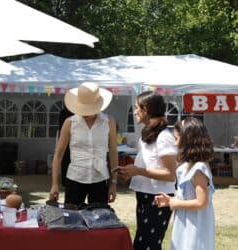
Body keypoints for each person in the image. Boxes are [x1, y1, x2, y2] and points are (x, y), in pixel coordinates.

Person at [119, 91, 177, 250]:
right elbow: (149, 166)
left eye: (137, 107)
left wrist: (138, 171)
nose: (135, 111)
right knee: (142, 244)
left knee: (146, 245)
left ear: (146, 109)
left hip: (158, 198)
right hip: (145, 195)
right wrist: (130, 173)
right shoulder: (147, 134)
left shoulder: (164, 137)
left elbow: (170, 175)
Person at [49, 82, 118, 206]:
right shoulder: (70, 122)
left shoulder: (108, 122)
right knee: (73, 221)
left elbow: (113, 151)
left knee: (99, 220)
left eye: (88, 109)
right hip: (75, 178)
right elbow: (58, 154)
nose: (85, 113)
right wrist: (54, 184)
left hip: (100, 178)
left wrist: (114, 182)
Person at [155, 118, 215, 250]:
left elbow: (201, 202)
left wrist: (175, 203)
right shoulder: (185, 167)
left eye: (176, 139)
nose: (175, 144)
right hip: (185, 223)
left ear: (188, 140)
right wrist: (171, 200)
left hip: (196, 227)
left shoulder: (198, 169)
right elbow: (188, 197)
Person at [58, 105, 73, 187]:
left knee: (66, 161)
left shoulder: (63, 112)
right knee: (66, 161)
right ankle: (65, 181)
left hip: (67, 139)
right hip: (67, 139)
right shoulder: (66, 114)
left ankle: (65, 181)